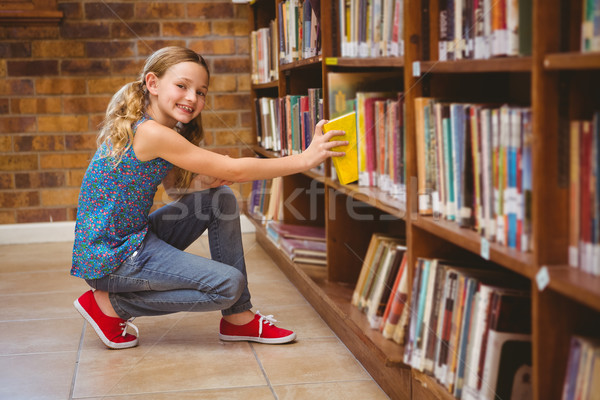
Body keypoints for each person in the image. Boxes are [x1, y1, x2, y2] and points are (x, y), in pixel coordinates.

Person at [70, 46, 346, 349]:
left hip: (130, 239)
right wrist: (305, 159)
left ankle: (238, 318)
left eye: (201, 92)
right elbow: (236, 170)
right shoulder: (152, 133)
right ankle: (110, 307)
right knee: (227, 284)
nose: (192, 98)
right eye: (182, 86)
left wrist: (206, 180)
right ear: (152, 83)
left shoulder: (158, 127)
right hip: (114, 259)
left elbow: (176, 190)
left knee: (220, 198)